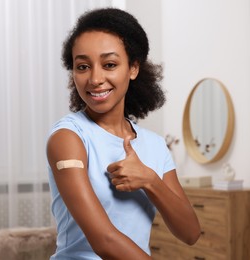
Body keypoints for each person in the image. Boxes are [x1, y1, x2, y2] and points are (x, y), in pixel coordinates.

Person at [46, 7, 201, 259]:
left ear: (133, 68)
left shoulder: (154, 145)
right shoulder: (67, 138)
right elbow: (104, 240)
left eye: (109, 64)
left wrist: (150, 181)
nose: (95, 78)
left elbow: (190, 233)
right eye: (83, 66)